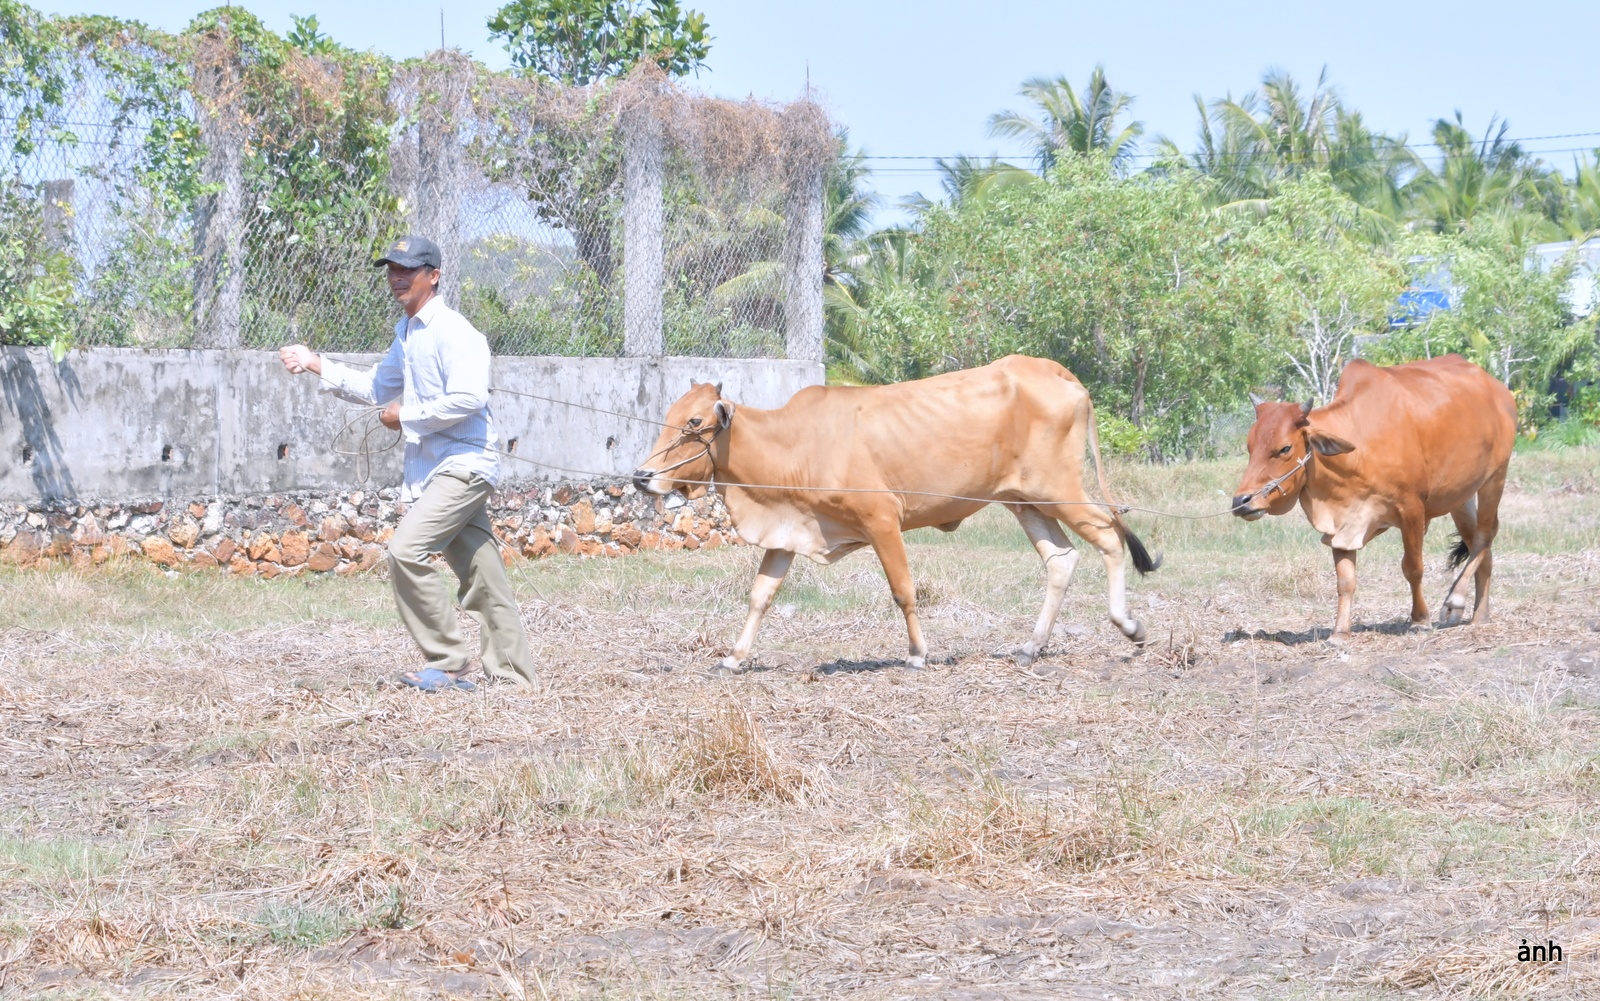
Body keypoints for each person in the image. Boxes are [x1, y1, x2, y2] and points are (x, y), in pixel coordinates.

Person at [279, 235, 536, 692]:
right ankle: (515, 679)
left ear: (433, 276)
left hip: (464, 465)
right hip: (437, 468)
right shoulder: (408, 333)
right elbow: (379, 389)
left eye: (408, 269)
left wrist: (406, 415)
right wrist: (317, 363)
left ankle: (449, 660)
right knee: (484, 576)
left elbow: (469, 397)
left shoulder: (455, 331)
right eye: (391, 270)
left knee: (405, 551)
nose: (397, 278)